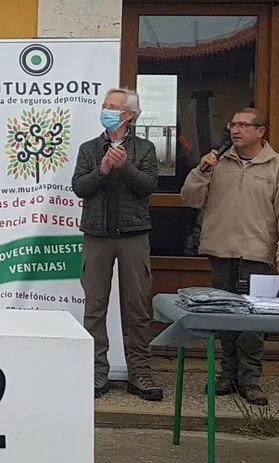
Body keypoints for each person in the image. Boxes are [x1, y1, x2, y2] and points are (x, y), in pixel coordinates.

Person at [181, 107, 279, 406]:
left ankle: (251, 381)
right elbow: (190, 199)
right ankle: (227, 375)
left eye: (244, 125)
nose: (236, 130)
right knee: (224, 319)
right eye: (233, 124)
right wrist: (201, 170)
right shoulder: (217, 163)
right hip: (220, 253)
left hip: (258, 256)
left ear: (261, 131)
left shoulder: (278, 168)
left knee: (252, 324)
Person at [71, 87, 161, 401]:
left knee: (137, 308)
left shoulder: (146, 148)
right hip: (97, 235)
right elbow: (79, 187)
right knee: (94, 307)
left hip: (134, 236)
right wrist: (104, 169)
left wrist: (125, 167)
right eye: (104, 105)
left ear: (128, 116)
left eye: (112, 107)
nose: (105, 110)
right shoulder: (89, 148)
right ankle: (96, 373)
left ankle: (141, 375)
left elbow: (149, 185)